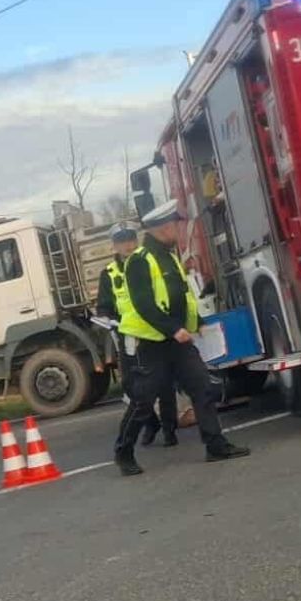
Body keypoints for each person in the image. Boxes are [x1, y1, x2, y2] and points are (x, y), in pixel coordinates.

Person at [114, 202, 251, 475]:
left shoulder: (170, 257)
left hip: (179, 342)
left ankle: (215, 445)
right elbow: (144, 304)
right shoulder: (140, 261)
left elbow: (182, 297)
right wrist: (172, 329)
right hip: (152, 344)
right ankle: (123, 451)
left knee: (203, 388)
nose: (177, 229)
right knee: (143, 401)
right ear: (163, 228)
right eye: (174, 225)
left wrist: (196, 322)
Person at [96, 223, 176, 448]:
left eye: (130, 239)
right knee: (132, 387)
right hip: (129, 337)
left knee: (164, 383)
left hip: (156, 331)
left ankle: (170, 429)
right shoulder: (109, 274)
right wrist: (106, 318)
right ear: (114, 245)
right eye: (122, 241)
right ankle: (152, 423)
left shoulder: (149, 262)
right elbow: (103, 306)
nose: (127, 245)